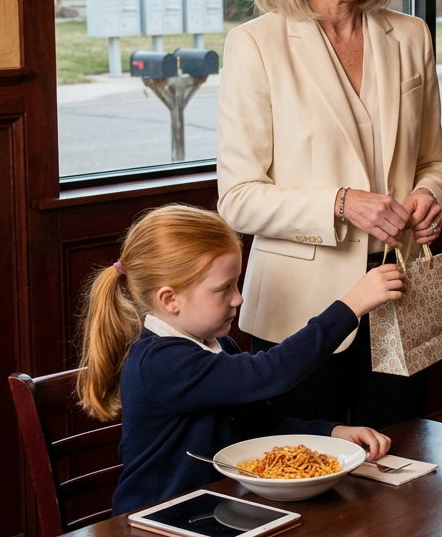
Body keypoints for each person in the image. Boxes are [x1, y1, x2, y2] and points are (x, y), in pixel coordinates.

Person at [217, 0, 442, 428]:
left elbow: (433, 161)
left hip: (403, 291)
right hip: (301, 311)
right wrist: (342, 203)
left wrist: (431, 196)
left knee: (405, 472)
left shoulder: (412, 35)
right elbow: (238, 197)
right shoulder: (255, 46)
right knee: (309, 475)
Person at [77, 204, 404, 515]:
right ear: (170, 299)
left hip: (215, 509)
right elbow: (271, 373)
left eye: (237, 282)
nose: (239, 297)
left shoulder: (219, 345)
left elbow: (263, 423)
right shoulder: (159, 363)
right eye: (224, 289)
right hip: (157, 524)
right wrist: (350, 307)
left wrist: (331, 433)